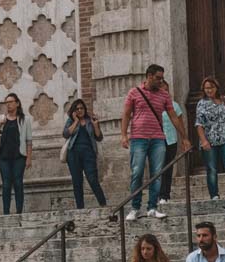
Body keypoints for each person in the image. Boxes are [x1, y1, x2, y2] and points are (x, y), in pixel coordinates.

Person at [121, 64, 178, 220]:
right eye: (158, 78)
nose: (161, 81)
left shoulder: (164, 95)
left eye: (162, 78)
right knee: (137, 172)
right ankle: (135, 207)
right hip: (138, 138)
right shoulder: (134, 92)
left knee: (157, 173)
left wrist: (184, 136)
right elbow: (126, 114)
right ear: (149, 76)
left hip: (158, 138)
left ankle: (152, 207)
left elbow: (173, 115)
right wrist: (123, 135)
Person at [193, 76, 225, 201]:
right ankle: (214, 194)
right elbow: (199, 124)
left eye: (211, 87)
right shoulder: (201, 103)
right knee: (212, 169)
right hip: (209, 140)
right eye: (206, 88)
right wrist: (203, 140)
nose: (209, 90)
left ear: (216, 88)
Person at [0, 95, 34, 214]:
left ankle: (19, 212)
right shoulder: (1, 118)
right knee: (6, 184)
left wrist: (29, 158)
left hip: (19, 156)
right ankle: (6, 213)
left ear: (17, 103)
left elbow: (29, 141)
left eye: (11, 102)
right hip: (3, 157)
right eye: (6, 102)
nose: (8, 104)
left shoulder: (25, 120)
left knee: (18, 182)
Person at [62, 97, 108, 209]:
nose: (79, 110)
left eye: (81, 108)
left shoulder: (90, 121)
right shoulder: (70, 121)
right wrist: (76, 121)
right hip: (73, 154)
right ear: (74, 111)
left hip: (89, 154)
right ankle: (80, 208)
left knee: (92, 179)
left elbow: (99, 137)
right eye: (77, 109)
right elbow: (66, 134)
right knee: (77, 181)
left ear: (85, 109)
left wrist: (96, 125)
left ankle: (103, 204)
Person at [155, 78, 190, 209]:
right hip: (157, 141)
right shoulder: (154, 105)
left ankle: (165, 194)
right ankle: (157, 194)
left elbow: (180, 123)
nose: (165, 93)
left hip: (171, 140)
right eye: (162, 90)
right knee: (158, 168)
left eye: (166, 90)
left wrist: (184, 138)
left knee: (168, 168)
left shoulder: (174, 105)